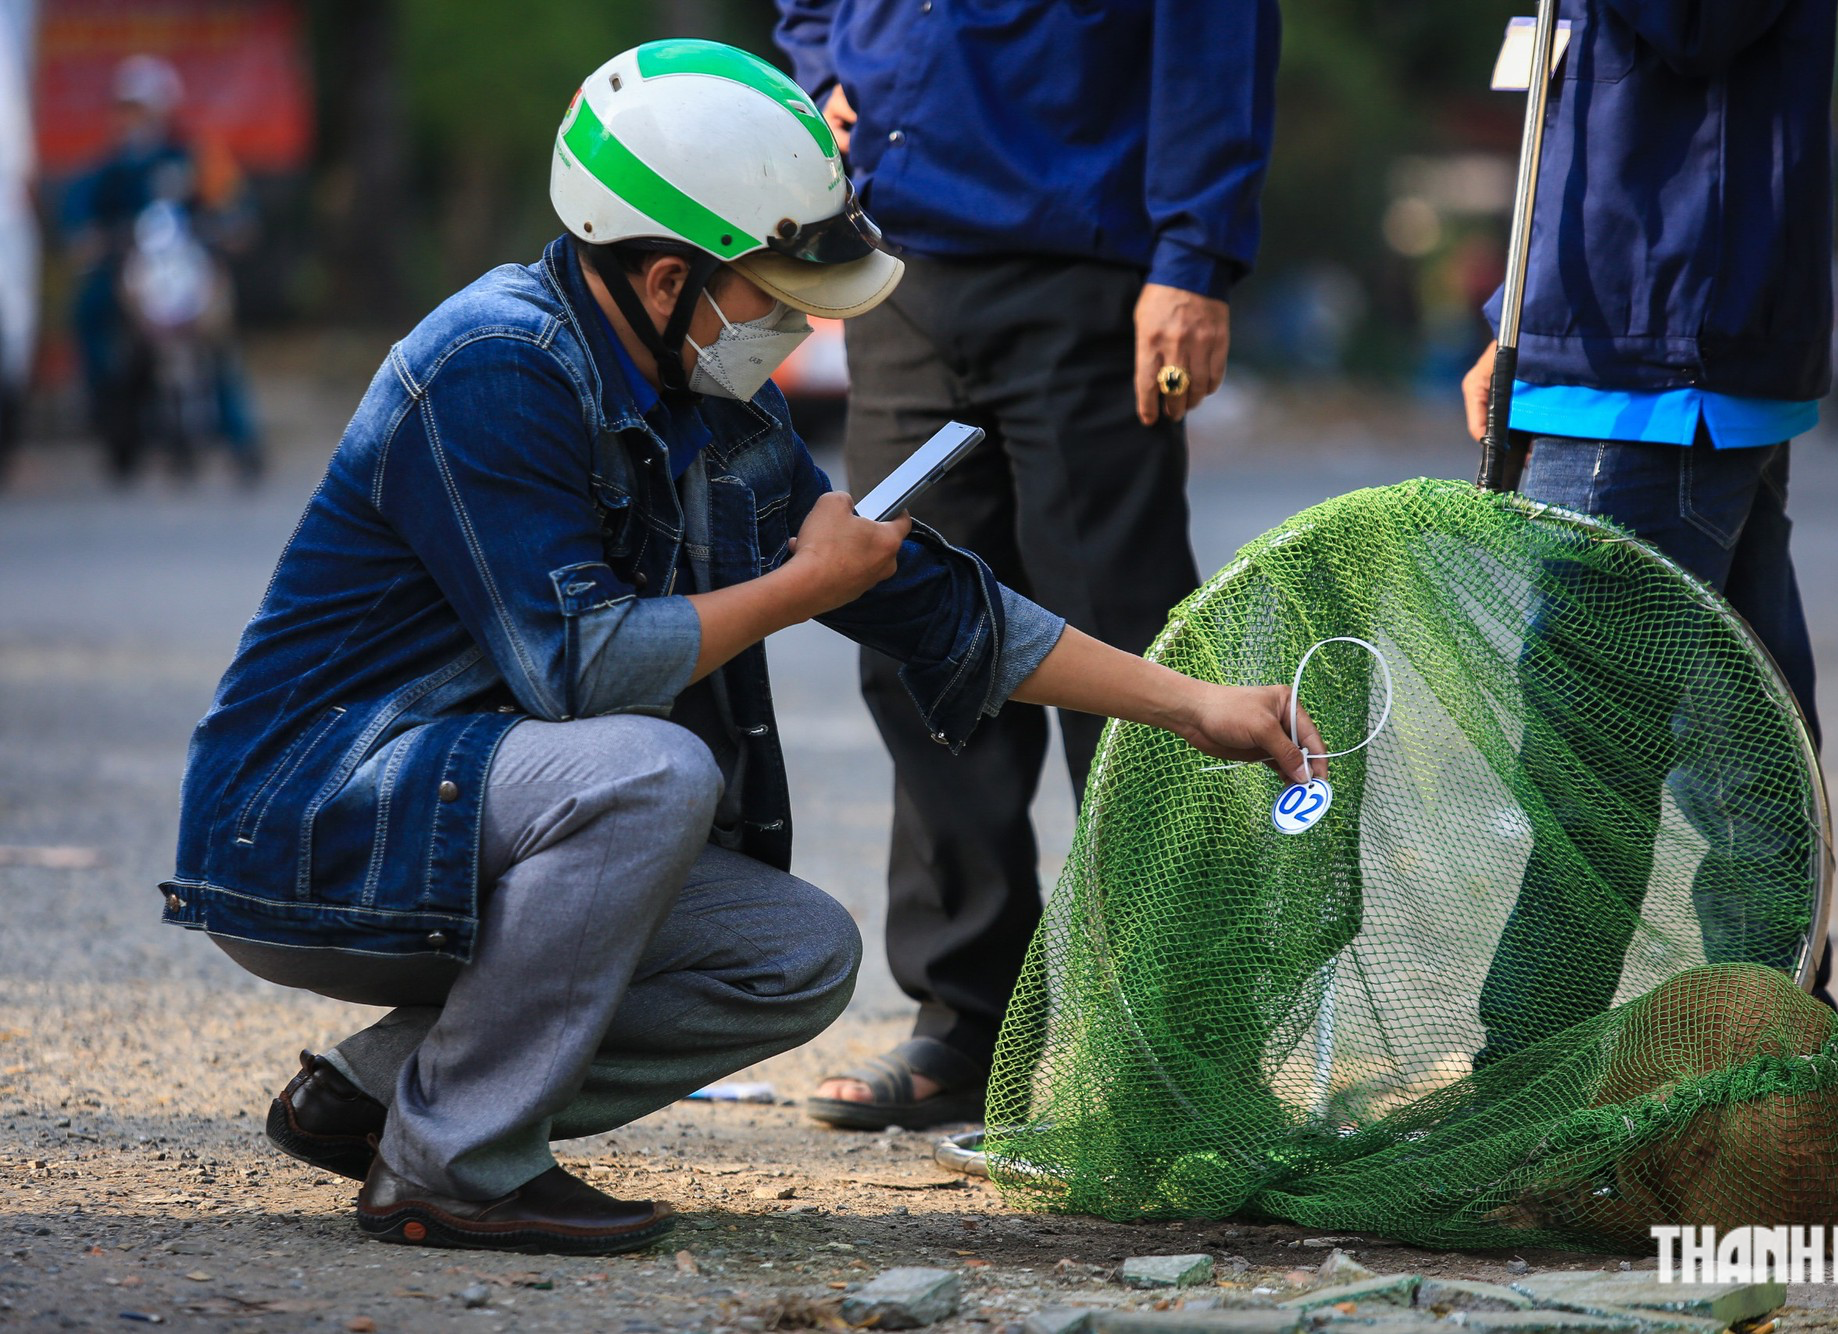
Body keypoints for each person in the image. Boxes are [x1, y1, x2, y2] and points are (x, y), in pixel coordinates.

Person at [162, 41, 1324, 1256]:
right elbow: (582, 664)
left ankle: (380, 1093)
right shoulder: (493, 363)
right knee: (651, 770)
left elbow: (940, 610)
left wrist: (1190, 704)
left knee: (792, 954)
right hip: (307, 824)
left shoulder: (707, 400)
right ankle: (451, 1165)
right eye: (774, 292)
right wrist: (800, 582)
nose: (794, 325)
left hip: (463, 815)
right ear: (669, 280)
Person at [774, 0, 1282, 1131]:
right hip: (896, 271)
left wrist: (1194, 259)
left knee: (1127, 642)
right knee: (910, 634)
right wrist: (817, 78)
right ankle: (968, 1019)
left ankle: (1175, 1027)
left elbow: (1216, 35)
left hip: (1087, 270)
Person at [1460, 0, 1837, 1065]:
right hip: (1624, 355)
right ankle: (1781, 1062)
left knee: (1587, 759)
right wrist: (1512, 319)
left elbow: (1692, 25)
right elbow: (1588, 117)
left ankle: (1518, 1086)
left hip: (1663, 367)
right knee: (1752, 752)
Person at [61, 54, 261, 483]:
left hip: (190, 272)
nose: (131, 118)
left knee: (218, 342)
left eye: (140, 107)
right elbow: (78, 211)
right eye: (125, 108)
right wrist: (87, 238)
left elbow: (234, 203)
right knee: (94, 321)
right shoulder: (112, 168)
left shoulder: (193, 155)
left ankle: (242, 441)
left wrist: (233, 226)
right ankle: (118, 431)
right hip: (134, 277)